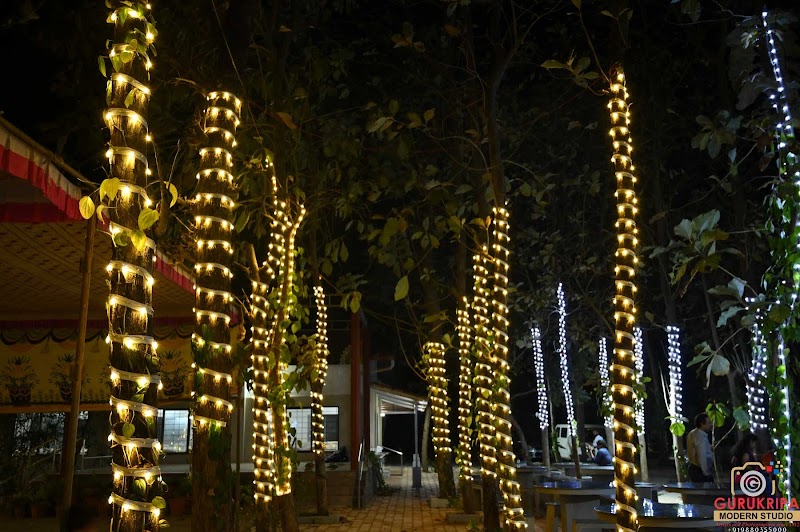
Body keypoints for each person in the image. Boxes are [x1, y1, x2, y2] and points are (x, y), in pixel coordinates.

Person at [687, 413, 714, 482]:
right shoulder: (700, 437)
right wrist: (706, 472)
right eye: (708, 423)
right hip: (699, 469)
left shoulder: (693, 433)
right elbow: (701, 455)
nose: (710, 425)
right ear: (702, 424)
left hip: (694, 467)